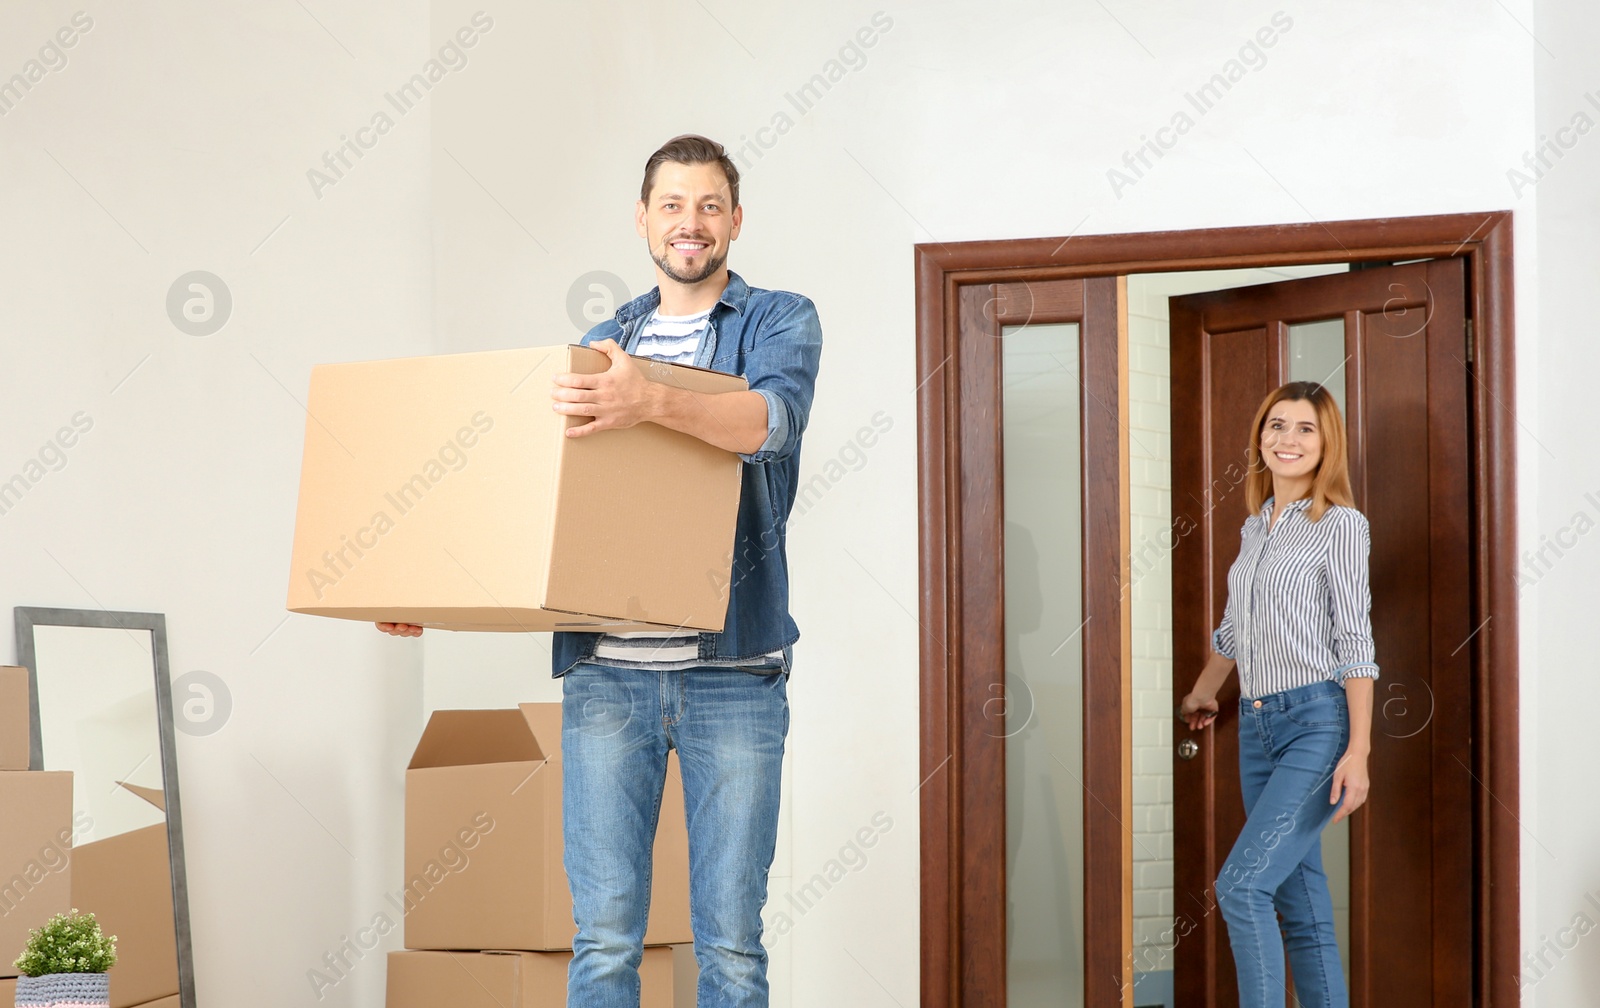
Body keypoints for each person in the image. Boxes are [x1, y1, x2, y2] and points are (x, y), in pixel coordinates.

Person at [379, 134, 822, 1008]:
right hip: (605, 678)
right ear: (642, 219)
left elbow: (770, 423)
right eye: (671, 205)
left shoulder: (779, 320)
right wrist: (427, 591)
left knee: (731, 942)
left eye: (706, 206)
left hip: (732, 671)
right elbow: (538, 502)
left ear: (734, 219)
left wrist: (649, 401)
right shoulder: (598, 343)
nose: (688, 224)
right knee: (605, 939)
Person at [1177, 380, 1375, 1008]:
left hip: (1317, 723)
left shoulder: (1340, 525)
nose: (1287, 439)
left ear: (1327, 445)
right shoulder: (1255, 528)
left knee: (1241, 887)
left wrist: (1359, 751)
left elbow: (1356, 643)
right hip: (1260, 728)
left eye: (1305, 429)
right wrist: (1203, 693)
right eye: (1276, 426)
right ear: (1260, 438)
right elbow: (1237, 627)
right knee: (1298, 898)